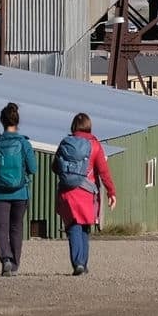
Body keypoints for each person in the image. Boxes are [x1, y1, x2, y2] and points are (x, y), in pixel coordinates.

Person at [0, 101, 36, 275]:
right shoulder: (24, 144)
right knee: (16, 228)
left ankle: (6, 260)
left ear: (2, 121)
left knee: (1, 227)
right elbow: (33, 169)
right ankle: (15, 264)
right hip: (20, 193)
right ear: (17, 121)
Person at [53, 112, 116, 277]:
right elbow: (104, 172)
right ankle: (83, 263)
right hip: (87, 193)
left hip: (68, 191)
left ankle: (78, 263)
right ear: (89, 126)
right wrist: (111, 192)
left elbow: (54, 167)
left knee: (73, 226)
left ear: (73, 126)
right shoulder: (95, 145)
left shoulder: (65, 143)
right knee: (85, 228)